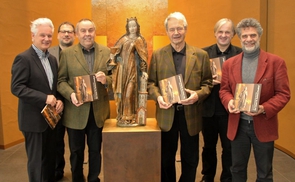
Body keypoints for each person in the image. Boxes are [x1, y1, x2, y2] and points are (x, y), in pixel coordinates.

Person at [219, 18, 290, 181]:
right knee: (237, 169)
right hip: (238, 125)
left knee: (265, 173)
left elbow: (283, 94)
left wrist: (263, 108)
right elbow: (224, 90)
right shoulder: (230, 64)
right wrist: (229, 101)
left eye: (253, 35)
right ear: (239, 37)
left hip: (263, 124)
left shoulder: (275, 62)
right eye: (244, 36)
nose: (249, 39)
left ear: (259, 36)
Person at [148, 12, 213, 182]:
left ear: (185, 29)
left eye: (179, 28)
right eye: (172, 29)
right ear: (167, 32)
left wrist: (197, 96)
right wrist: (158, 98)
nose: (176, 32)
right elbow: (151, 83)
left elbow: (208, 84)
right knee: (166, 158)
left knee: (190, 158)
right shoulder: (157, 55)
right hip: (166, 113)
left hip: (190, 114)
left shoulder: (200, 55)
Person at [57, 18, 111, 182]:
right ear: (77, 34)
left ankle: (94, 178)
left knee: (95, 150)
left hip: (98, 111)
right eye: (83, 31)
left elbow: (116, 77)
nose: (87, 34)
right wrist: (71, 94)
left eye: (90, 30)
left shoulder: (107, 52)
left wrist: (106, 80)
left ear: (95, 32)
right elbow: (61, 81)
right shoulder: (66, 54)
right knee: (76, 151)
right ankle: (77, 178)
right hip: (75, 112)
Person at [11, 17, 64, 181]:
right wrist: (44, 97)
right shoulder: (24, 58)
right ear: (33, 36)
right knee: (37, 164)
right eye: (42, 35)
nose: (46, 39)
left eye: (49, 36)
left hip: (50, 120)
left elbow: (52, 88)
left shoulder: (52, 59)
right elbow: (17, 87)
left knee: (49, 161)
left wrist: (58, 99)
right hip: (33, 122)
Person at [200, 18, 242, 182]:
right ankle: (207, 176)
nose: (223, 35)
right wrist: (209, 80)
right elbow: (197, 79)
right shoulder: (204, 54)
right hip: (208, 109)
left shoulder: (240, 54)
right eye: (221, 32)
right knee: (208, 147)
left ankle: (228, 177)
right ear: (215, 33)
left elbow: (245, 81)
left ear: (233, 34)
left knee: (229, 147)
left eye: (227, 32)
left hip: (230, 110)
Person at [48, 21, 75, 181]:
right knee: (56, 141)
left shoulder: (77, 53)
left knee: (75, 142)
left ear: (74, 35)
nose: (66, 34)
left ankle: (76, 169)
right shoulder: (48, 54)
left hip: (73, 104)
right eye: (64, 31)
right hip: (54, 105)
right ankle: (58, 171)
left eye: (70, 32)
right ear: (58, 35)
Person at [108, 17, 148, 126]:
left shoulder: (139, 40)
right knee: (122, 94)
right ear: (127, 28)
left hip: (132, 70)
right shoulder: (123, 39)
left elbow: (142, 56)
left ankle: (130, 117)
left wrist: (144, 70)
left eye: (134, 26)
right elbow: (115, 51)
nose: (132, 28)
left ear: (137, 27)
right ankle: (122, 117)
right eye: (130, 26)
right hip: (122, 71)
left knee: (129, 94)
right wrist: (113, 57)